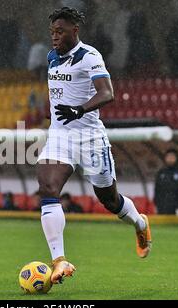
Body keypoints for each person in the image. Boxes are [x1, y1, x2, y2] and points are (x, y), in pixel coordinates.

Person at [37, 7, 152, 285]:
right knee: (47, 188)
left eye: (60, 31)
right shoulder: (52, 57)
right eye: (52, 32)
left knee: (110, 201)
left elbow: (107, 93)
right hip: (60, 136)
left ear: (75, 31)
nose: (54, 37)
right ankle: (59, 260)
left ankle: (139, 223)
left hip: (90, 138)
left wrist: (79, 110)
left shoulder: (90, 57)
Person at [154, 149, 178, 215]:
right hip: (162, 206)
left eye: (172, 157)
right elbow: (157, 189)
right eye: (168, 157)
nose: (170, 159)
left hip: (176, 206)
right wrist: (156, 204)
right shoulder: (161, 172)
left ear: (176, 158)